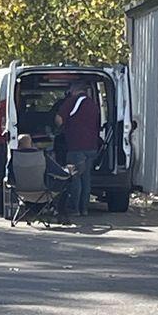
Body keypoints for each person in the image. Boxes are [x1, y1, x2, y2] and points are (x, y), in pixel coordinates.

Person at [55, 81, 99, 216]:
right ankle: (84, 208)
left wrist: (59, 129)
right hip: (92, 147)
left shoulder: (72, 101)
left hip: (76, 146)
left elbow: (59, 119)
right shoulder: (93, 104)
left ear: (73, 90)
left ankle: (75, 208)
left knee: (74, 177)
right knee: (86, 178)